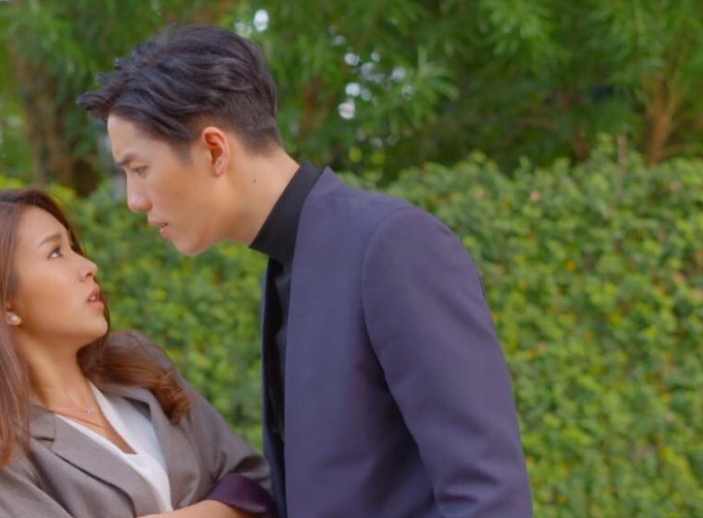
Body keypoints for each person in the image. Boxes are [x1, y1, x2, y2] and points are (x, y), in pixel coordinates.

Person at [77, 24, 533, 518]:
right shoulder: (289, 262)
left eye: (139, 169)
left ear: (214, 150)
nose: (134, 200)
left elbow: (489, 494)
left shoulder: (392, 245)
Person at [0, 188, 275, 518]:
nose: (88, 265)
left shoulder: (139, 367)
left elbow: (255, 482)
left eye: (72, 246)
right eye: (55, 253)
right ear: (3, 304)